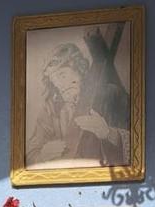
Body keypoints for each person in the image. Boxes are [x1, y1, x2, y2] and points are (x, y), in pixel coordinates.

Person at [26, 27, 131, 168]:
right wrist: (43, 155)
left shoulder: (111, 94)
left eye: (62, 75)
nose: (59, 85)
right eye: (54, 81)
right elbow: (28, 157)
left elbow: (139, 143)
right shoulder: (50, 110)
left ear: (78, 69)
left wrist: (108, 133)